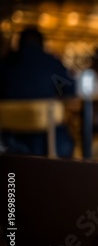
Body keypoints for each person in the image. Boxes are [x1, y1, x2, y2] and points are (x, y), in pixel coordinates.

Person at [0, 27, 75, 157]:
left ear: (19, 43)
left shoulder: (6, 64)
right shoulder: (52, 63)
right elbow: (71, 91)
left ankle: (11, 177)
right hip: (47, 138)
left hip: (10, 140)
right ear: (42, 44)